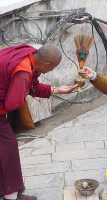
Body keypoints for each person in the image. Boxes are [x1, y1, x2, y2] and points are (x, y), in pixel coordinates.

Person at [0, 44, 78, 200]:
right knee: (8, 148)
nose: (51, 71)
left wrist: (56, 90)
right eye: (52, 68)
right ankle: (11, 196)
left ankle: (9, 192)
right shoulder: (23, 71)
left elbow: (31, 86)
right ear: (47, 64)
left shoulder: (29, 54)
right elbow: (12, 103)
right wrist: (23, 90)